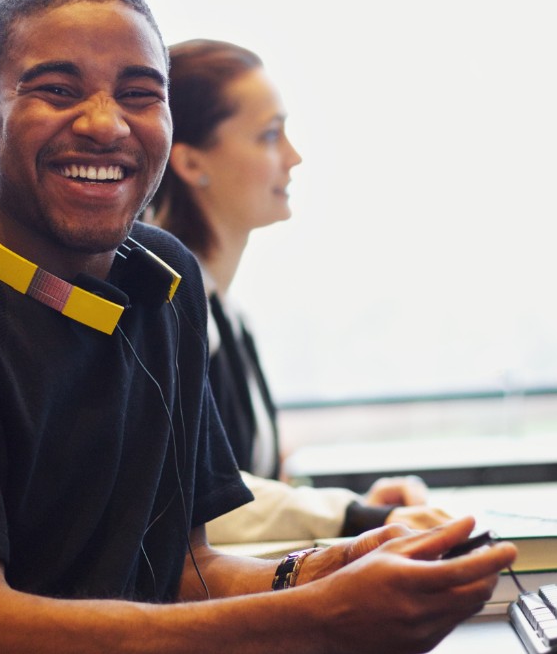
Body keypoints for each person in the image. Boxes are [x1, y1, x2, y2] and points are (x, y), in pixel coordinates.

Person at [0, 0, 516, 654]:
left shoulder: (165, 278)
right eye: (56, 88)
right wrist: (317, 620)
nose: (106, 123)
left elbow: (180, 574)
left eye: (140, 93)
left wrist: (337, 563)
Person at [146, 39, 452, 543]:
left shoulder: (228, 313)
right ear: (191, 162)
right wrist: (350, 517)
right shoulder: (165, 313)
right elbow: (199, 501)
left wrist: (364, 509)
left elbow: (252, 493)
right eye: (269, 135)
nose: (294, 156)